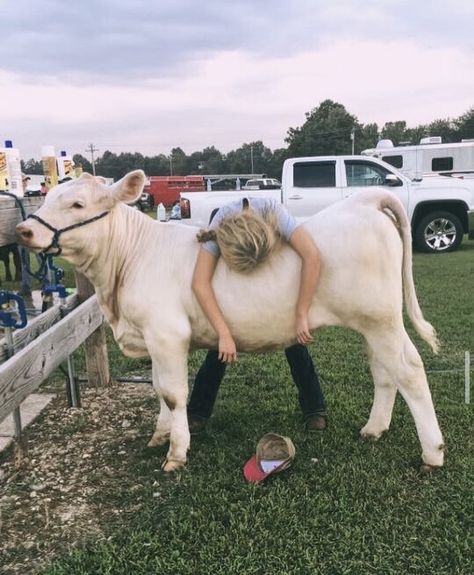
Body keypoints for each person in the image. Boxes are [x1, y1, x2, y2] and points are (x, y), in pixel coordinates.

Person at [188, 197, 327, 433]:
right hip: (234, 291)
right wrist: (223, 333)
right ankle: (197, 412)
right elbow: (200, 283)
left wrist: (302, 312)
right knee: (219, 348)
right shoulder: (220, 221)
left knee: (294, 341)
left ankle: (315, 409)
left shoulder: (275, 211)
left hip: (277, 285)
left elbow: (312, 256)